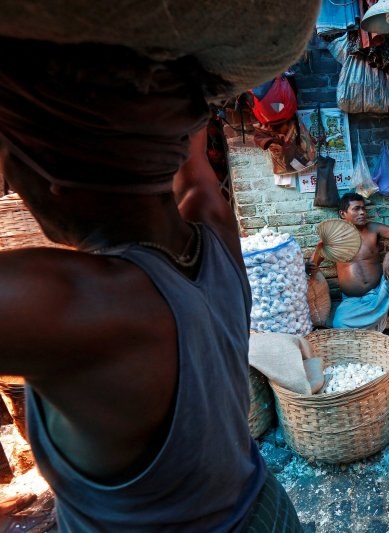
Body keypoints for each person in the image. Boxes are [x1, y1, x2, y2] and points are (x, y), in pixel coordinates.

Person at [0, 38, 301, 531]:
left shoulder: (73, 301)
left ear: (46, 174)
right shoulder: (216, 235)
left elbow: (192, 162)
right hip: (265, 511)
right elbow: (196, 174)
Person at [312, 192, 389, 331]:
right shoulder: (334, 238)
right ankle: (380, 311)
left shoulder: (372, 228)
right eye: (356, 209)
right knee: (340, 323)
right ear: (343, 214)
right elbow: (312, 267)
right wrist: (319, 249)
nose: (362, 213)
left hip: (381, 290)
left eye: (364, 209)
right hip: (354, 302)